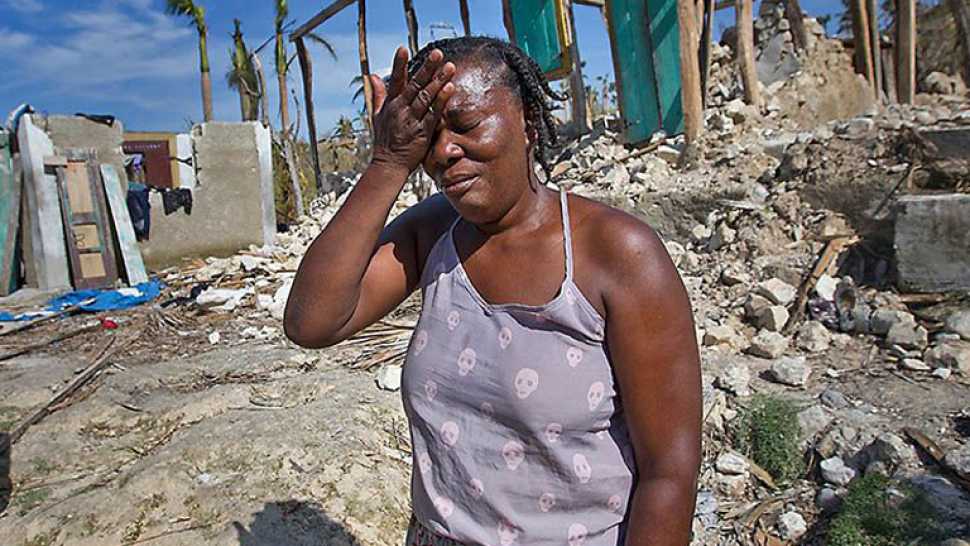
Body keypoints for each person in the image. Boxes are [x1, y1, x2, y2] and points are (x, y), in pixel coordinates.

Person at [285, 37, 701, 546]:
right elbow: (312, 321)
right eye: (429, 136)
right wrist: (389, 162)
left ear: (527, 120)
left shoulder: (617, 254)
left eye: (464, 125)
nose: (443, 153)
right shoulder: (434, 236)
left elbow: (669, 474)